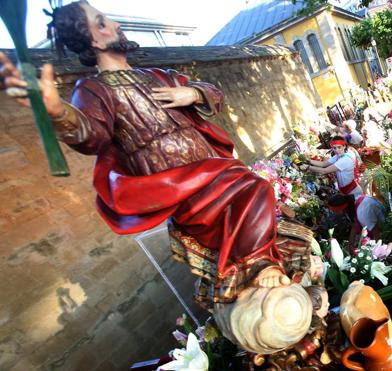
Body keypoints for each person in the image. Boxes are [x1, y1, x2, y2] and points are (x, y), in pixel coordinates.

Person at [0, 0, 289, 304]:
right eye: (102, 23)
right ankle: (257, 264)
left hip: (214, 170)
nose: (115, 25)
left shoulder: (159, 75)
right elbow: (91, 136)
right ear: (92, 41)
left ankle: (260, 262)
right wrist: (57, 111)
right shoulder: (93, 90)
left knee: (256, 194)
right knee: (256, 187)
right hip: (180, 187)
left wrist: (193, 92)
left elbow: (214, 93)